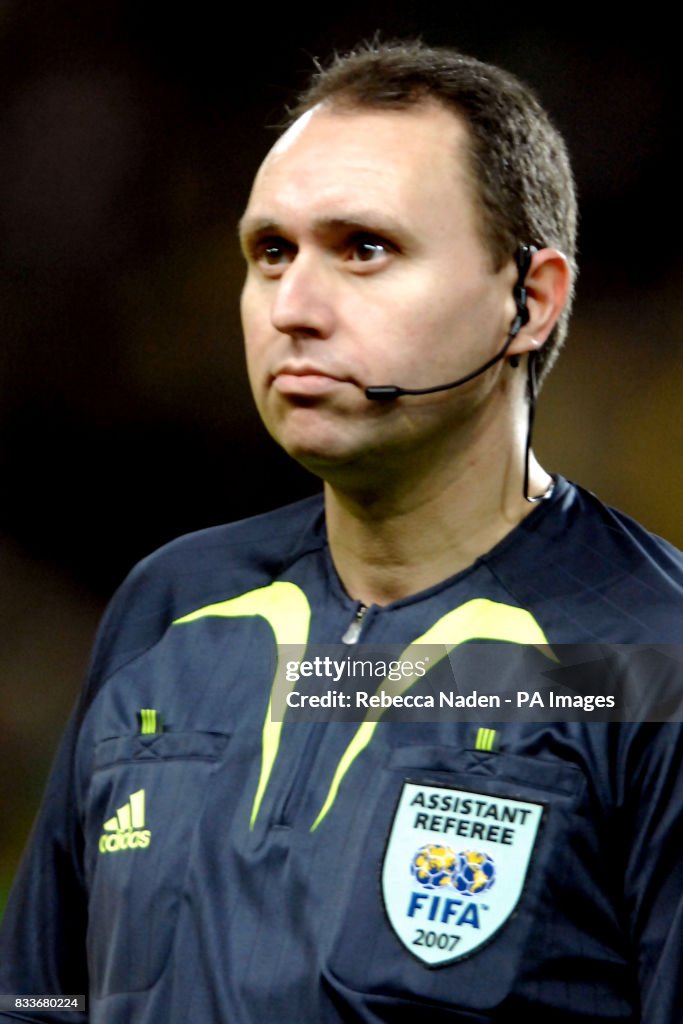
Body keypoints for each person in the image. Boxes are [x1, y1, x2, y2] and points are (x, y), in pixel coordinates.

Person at [1, 39, 682, 1024]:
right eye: (269, 252)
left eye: (364, 247)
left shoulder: (644, 652)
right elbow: (41, 994)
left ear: (525, 303)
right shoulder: (171, 606)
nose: (293, 307)